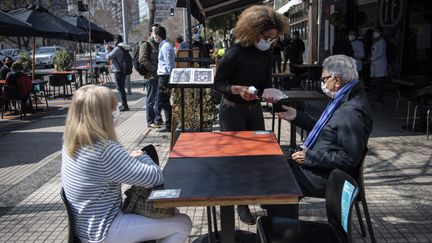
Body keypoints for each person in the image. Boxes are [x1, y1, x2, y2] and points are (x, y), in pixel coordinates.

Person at [61, 85, 192, 243]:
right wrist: (141, 156)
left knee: (172, 213)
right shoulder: (104, 150)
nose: (115, 112)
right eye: (112, 108)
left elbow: (111, 169)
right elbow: (155, 177)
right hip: (104, 230)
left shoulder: (71, 144)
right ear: (101, 115)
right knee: (182, 223)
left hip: (84, 227)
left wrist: (127, 160)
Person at [267, 55, 373, 218]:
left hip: (335, 178)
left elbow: (348, 159)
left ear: (336, 80)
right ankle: (277, 222)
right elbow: (329, 129)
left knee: (280, 181)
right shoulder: (345, 98)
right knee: (277, 166)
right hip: (325, 167)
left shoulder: (352, 111)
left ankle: (283, 231)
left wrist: (309, 157)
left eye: (324, 79)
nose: (323, 84)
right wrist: (297, 116)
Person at [214, 5, 288, 225]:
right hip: (232, 111)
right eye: (266, 37)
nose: (269, 42)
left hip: (254, 110)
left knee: (259, 154)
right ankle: (241, 203)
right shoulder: (234, 53)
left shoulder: (267, 55)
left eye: (273, 39)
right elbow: (218, 83)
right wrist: (238, 89)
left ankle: (261, 195)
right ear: (254, 32)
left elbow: (267, 82)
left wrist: (270, 94)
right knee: (238, 160)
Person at [139, 24, 163, 129]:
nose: (156, 34)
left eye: (158, 32)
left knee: (158, 99)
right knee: (151, 100)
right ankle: (150, 121)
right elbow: (142, 59)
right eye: (155, 32)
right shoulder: (146, 44)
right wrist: (154, 69)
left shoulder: (159, 44)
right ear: (151, 33)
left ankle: (158, 118)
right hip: (151, 77)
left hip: (159, 76)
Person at [154, 26, 175, 133]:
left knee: (161, 101)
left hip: (165, 76)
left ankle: (169, 122)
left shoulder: (166, 46)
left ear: (158, 36)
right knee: (164, 101)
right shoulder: (164, 45)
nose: (153, 38)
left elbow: (169, 63)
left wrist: (169, 77)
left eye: (154, 35)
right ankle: (168, 125)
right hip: (164, 76)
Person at [106, 35, 130, 111]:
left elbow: (108, 57)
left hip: (118, 71)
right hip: (123, 70)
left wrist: (106, 50)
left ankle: (125, 106)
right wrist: (112, 49)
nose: (113, 42)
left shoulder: (117, 48)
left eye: (114, 41)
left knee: (120, 88)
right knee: (121, 88)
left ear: (116, 41)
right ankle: (124, 104)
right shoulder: (123, 47)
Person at [370, 26, 388, 106]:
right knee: (377, 84)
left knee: (380, 84)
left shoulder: (382, 42)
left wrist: (372, 58)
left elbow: (380, 54)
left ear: (380, 33)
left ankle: (380, 101)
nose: (375, 33)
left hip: (380, 66)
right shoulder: (375, 42)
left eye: (377, 31)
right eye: (374, 31)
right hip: (375, 66)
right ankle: (378, 99)